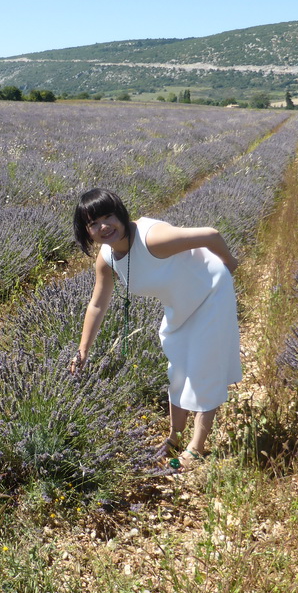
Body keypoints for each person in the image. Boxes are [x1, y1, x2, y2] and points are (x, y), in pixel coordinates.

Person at [69, 188, 242, 469]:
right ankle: (174, 436)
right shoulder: (107, 258)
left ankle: (195, 448)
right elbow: (97, 305)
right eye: (93, 223)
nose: (103, 226)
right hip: (180, 305)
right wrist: (83, 351)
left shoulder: (153, 239)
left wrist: (229, 263)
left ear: (121, 214)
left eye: (108, 216)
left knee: (203, 368)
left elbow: (211, 234)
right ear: (86, 231)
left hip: (211, 292)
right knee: (178, 370)